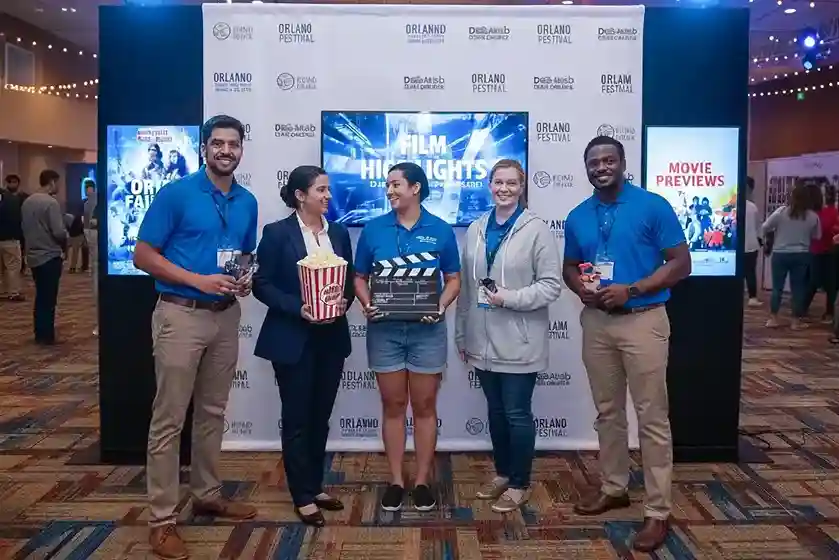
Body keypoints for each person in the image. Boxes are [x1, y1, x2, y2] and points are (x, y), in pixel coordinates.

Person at [133, 115, 258, 560]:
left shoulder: (247, 201)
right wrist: (197, 280)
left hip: (225, 315)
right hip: (180, 314)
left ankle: (206, 494)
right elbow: (142, 255)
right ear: (204, 147)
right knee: (169, 420)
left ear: (241, 149)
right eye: (218, 143)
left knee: (212, 412)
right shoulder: (177, 193)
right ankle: (162, 520)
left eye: (233, 144)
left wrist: (244, 278)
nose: (226, 150)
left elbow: (244, 253)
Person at [563, 136, 691, 553]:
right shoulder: (578, 216)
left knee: (652, 417)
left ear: (622, 163)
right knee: (608, 412)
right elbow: (569, 266)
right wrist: (580, 288)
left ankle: (658, 510)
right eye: (594, 162)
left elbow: (681, 263)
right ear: (586, 168)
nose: (601, 167)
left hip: (643, 319)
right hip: (597, 323)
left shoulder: (652, 206)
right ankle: (614, 487)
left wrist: (631, 290)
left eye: (608, 160)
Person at [454, 159, 562, 513]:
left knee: (516, 414)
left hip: (520, 342)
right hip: (481, 340)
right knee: (496, 412)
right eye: (498, 182)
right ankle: (503, 474)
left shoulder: (537, 230)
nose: (504, 189)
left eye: (511, 183)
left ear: (522, 186)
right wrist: (461, 334)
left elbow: (551, 286)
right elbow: (468, 289)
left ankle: (519, 483)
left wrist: (509, 298)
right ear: (489, 185)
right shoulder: (476, 228)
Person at [353, 162, 461, 512]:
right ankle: (397, 480)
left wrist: (440, 306)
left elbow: (453, 279)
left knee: (425, 406)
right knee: (393, 405)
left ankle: (423, 480)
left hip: (427, 331)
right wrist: (366, 303)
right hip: (385, 331)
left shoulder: (441, 229)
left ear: (415, 188)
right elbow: (358, 277)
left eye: (396, 184)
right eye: (387, 185)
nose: (389, 190)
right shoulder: (373, 229)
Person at [252, 166, 354, 527]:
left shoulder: (338, 232)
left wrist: (343, 303)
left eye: (328, 190)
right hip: (292, 337)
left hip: (332, 337)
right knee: (297, 418)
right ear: (300, 195)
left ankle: (314, 485)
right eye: (321, 190)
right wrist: (299, 308)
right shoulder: (277, 233)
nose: (328, 196)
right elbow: (261, 283)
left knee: (320, 416)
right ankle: (301, 495)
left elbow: (347, 281)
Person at [761, 182, 820, 330]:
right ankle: (795, 321)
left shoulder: (781, 212)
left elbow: (765, 227)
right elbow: (817, 236)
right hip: (802, 255)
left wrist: (769, 238)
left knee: (777, 288)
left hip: (780, 254)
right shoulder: (813, 217)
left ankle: (773, 318)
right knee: (798, 288)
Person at [21, 170, 67, 344]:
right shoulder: (51, 203)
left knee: (40, 296)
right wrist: (66, 238)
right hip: (49, 255)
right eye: (58, 183)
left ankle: (39, 332)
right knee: (49, 298)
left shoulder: (27, 202)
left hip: (33, 255)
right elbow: (58, 231)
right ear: (52, 182)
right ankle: (47, 335)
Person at [804, 185, 837, 323]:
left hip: (831, 251)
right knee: (814, 281)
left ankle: (829, 312)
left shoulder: (834, 211)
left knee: (831, 283)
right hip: (815, 251)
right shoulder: (812, 213)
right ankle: (802, 309)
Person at [0, 174, 27, 301]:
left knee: (2, 268)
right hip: (11, 238)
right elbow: (19, 220)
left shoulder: (5, 199)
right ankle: (13, 292)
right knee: (13, 267)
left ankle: (3, 291)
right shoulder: (15, 201)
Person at [82, 179, 99, 335]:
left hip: (95, 234)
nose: (88, 191)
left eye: (89, 188)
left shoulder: (97, 200)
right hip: (90, 233)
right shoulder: (86, 203)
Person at [744, 176, 762, 307]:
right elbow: (758, 226)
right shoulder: (752, 207)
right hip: (751, 244)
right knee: (750, 272)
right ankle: (752, 297)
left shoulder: (733, 205)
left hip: (740, 245)